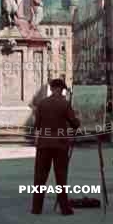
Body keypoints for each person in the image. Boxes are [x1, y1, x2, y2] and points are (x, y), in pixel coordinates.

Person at [31, 78, 80, 215]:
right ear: (61, 89)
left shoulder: (42, 103)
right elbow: (74, 123)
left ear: (52, 88)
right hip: (60, 145)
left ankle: (36, 208)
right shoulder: (64, 104)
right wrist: (78, 120)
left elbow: (37, 125)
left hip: (44, 144)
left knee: (40, 177)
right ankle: (64, 208)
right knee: (61, 177)